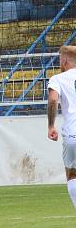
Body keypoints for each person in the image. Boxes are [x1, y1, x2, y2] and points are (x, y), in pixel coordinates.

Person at [46, 45, 76, 209]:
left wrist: (51, 126)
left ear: (64, 60)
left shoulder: (58, 78)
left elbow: (52, 100)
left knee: (72, 174)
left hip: (72, 134)